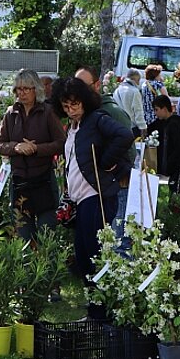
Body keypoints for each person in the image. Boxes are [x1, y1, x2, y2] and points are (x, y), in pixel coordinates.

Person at [51, 77, 134, 282]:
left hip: (96, 195)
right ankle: (94, 297)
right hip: (79, 198)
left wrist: (106, 162)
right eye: (66, 106)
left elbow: (124, 135)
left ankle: (103, 296)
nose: (71, 110)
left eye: (75, 104)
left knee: (94, 252)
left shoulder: (96, 119)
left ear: (84, 101)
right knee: (82, 252)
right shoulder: (73, 126)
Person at [0, 69, 65, 245]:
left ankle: (47, 263)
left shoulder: (47, 112)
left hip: (43, 180)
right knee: (23, 234)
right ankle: (27, 262)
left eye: (26, 88)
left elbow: (61, 143)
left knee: (46, 233)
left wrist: (36, 149)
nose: (22, 93)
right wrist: (16, 147)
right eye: (18, 89)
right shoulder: (11, 113)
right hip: (19, 181)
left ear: (36, 90)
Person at [147, 95, 180, 194]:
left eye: (157, 110)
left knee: (178, 193)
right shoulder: (164, 123)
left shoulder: (174, 124)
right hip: (174, 165)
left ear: (164, 108)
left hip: (179, 165)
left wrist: (170, 163)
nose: (155, 113)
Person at [113, 68, 145, 138]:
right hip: (132, 127)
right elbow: (138, 111)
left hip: (118, 126)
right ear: (134, 79)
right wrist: (143, 127)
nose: (138, 83)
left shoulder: (117, 90)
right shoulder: (135, 91)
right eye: (138, 80)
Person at [140, 64, 167, 130]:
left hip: (146, 117)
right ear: (156, 75)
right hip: (156, 116)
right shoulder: (158, 84)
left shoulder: (144, 84)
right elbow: (166, 98)